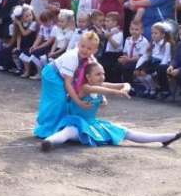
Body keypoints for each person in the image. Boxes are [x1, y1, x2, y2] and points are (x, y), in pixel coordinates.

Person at [40, 63, 180, 151]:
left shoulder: (101, 85)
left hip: (92, 124)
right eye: (98, 74)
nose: (102, 77)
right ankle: (49, 142)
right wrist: (115, 93)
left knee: (125, 132)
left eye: (103, 74)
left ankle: (164, 137)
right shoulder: (85, 87)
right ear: (88, 76)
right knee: (69, 131)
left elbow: (125, 84)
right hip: (75, 123)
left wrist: (125, 89)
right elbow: (105, 90)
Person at [33, 31, 100, 139]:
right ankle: (47, 128)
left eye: (89, 48)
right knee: (59, 100)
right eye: (83, 46)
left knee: (66, 100)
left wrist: (101, 96)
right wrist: (78, 101)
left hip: (65, 77)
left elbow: (95, 80)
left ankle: (61, 125)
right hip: (52, 75)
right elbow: (68, 83)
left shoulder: (92, 60)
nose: (85, 50)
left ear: (95, 50)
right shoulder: (72, 57)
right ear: (78, 44)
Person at [134, 22, 174, 100]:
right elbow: (146, 54)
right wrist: (139, 64)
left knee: (143, 73)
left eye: (156, 33)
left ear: (163, 35)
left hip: (159, 62)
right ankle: (148, 87)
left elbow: (166, 58)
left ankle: (153, 89)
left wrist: (159, 68)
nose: (153, 35)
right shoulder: (152, 42)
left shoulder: (166, 44)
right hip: (151, 61)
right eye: (152, 33)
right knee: (137, 72)